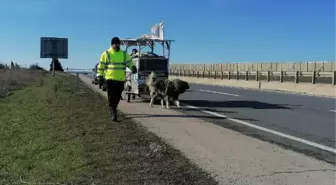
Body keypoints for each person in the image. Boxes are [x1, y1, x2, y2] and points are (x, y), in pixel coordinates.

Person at [98, 37, 137, 121]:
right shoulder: (106, 54)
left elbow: (129, 63)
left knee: (118, 96)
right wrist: (100, 76)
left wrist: (132, 67)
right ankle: (113, 112)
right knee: (111, 97)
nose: (117, 46)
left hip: (120, 79)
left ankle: (113, 108)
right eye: (115, 44)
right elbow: (101, 66)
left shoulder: (123, 54)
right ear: (112, 44)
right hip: (110, 79)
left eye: (118, 44)